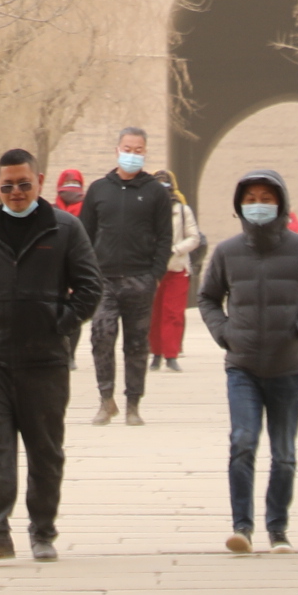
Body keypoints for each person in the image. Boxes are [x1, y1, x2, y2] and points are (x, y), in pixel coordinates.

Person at [0, 148, 103, 561]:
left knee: (44, 451)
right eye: (8, 185)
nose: (16, 192)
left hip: (45, 361)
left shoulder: (64, 228)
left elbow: (90, 287)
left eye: (24, 184)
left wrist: (59, 322)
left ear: (40, 182)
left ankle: (43, 531)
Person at [194, 168, 298, 554]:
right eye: (251, 200)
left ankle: (278, 528)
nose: (258, 206)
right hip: (242, 366)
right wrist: (224, 332)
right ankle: (242, 526)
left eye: (266, 199)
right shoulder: (227, 252)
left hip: (288, 367)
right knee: (242, 441)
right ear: (240, 206)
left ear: (281, 204)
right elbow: (207, 297)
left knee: (284, 454)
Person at [76, 125, 182, 423]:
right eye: (127, 149)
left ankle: (133, 403)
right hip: (104, 280)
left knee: (136, 344)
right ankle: (105, 398)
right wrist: (85, 273)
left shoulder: (155, 192)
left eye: (138, 150)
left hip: (140, 279)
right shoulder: (99, 189)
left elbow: (165, 237)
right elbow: (84, 234)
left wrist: (155, 275)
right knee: (102, 335)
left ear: (145, 152)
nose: (132, 155)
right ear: (117, 150)